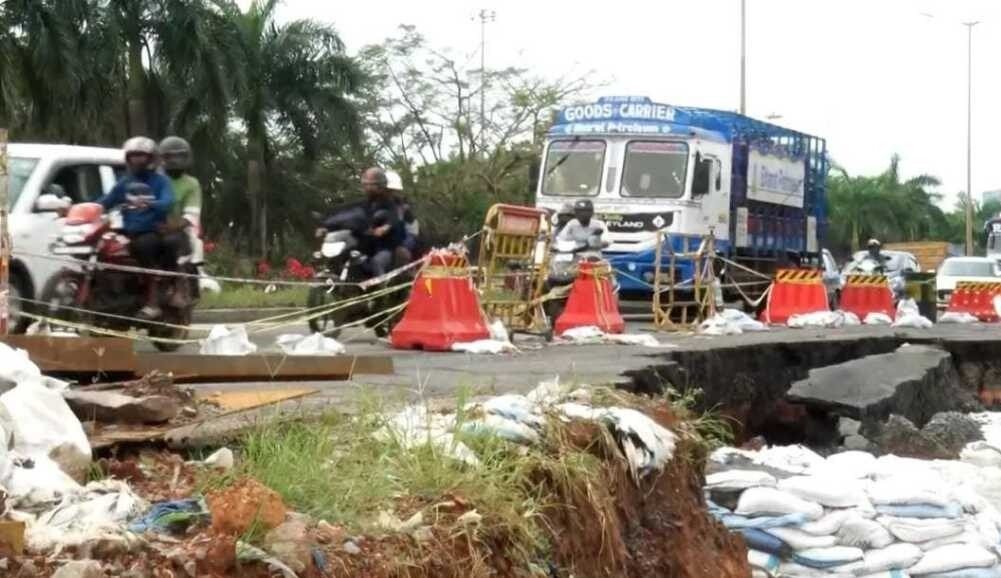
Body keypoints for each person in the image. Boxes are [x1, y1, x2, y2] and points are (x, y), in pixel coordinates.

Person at [98, 136, 174, 319]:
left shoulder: (160, 181)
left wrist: (152, 204)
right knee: (103, 247)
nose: (136, 159)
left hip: (150, 232)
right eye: (133, 155)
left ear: (151, 158)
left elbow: (168, 201)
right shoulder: (125, 182)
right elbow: (105, 201)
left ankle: (153, 302)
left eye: (141, 155)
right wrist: (82, 208)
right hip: (127, 232)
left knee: (144, 246)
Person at [159, 136, 202, 305]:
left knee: (176, 247)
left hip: (179, 230)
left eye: (180, 156)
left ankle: (180, 289)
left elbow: (190, 215)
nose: (175, 161)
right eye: (170, 157)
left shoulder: (191, 184)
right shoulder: (156, 179)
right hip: (151, 228)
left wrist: (171, 227)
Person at [359, 167, 405, 276]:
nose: (390, 193)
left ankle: (382, 289)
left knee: (378, 262)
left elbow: (395, 220)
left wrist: (386, 227)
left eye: (391, 191)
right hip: (370, 243)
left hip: (388, 245)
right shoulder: (368, 204)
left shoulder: (397, 206)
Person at [385, 170, 420, 261]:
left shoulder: (403, 207)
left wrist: (403, 246)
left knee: (402, 254)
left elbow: (413, 232)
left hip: (401, 244)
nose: (390, 193)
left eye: (392, 191)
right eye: (388, 190)